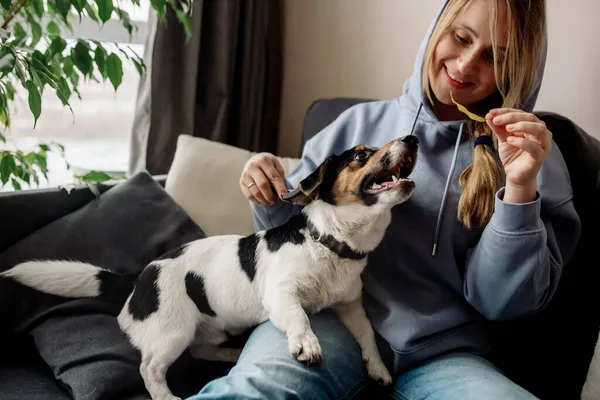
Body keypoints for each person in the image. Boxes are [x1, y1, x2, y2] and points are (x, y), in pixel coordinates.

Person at [187, 0, 581, 399]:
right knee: (261, 389)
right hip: (326, 322)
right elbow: (283, 250)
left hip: (444, 359)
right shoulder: (356, 128)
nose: (464, 66)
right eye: (460, 38)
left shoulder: (530, 157)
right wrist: (265, 189)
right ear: (437, 29)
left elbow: (504, 303)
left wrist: (518, 190)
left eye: (494, 57)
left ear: (517, 70)